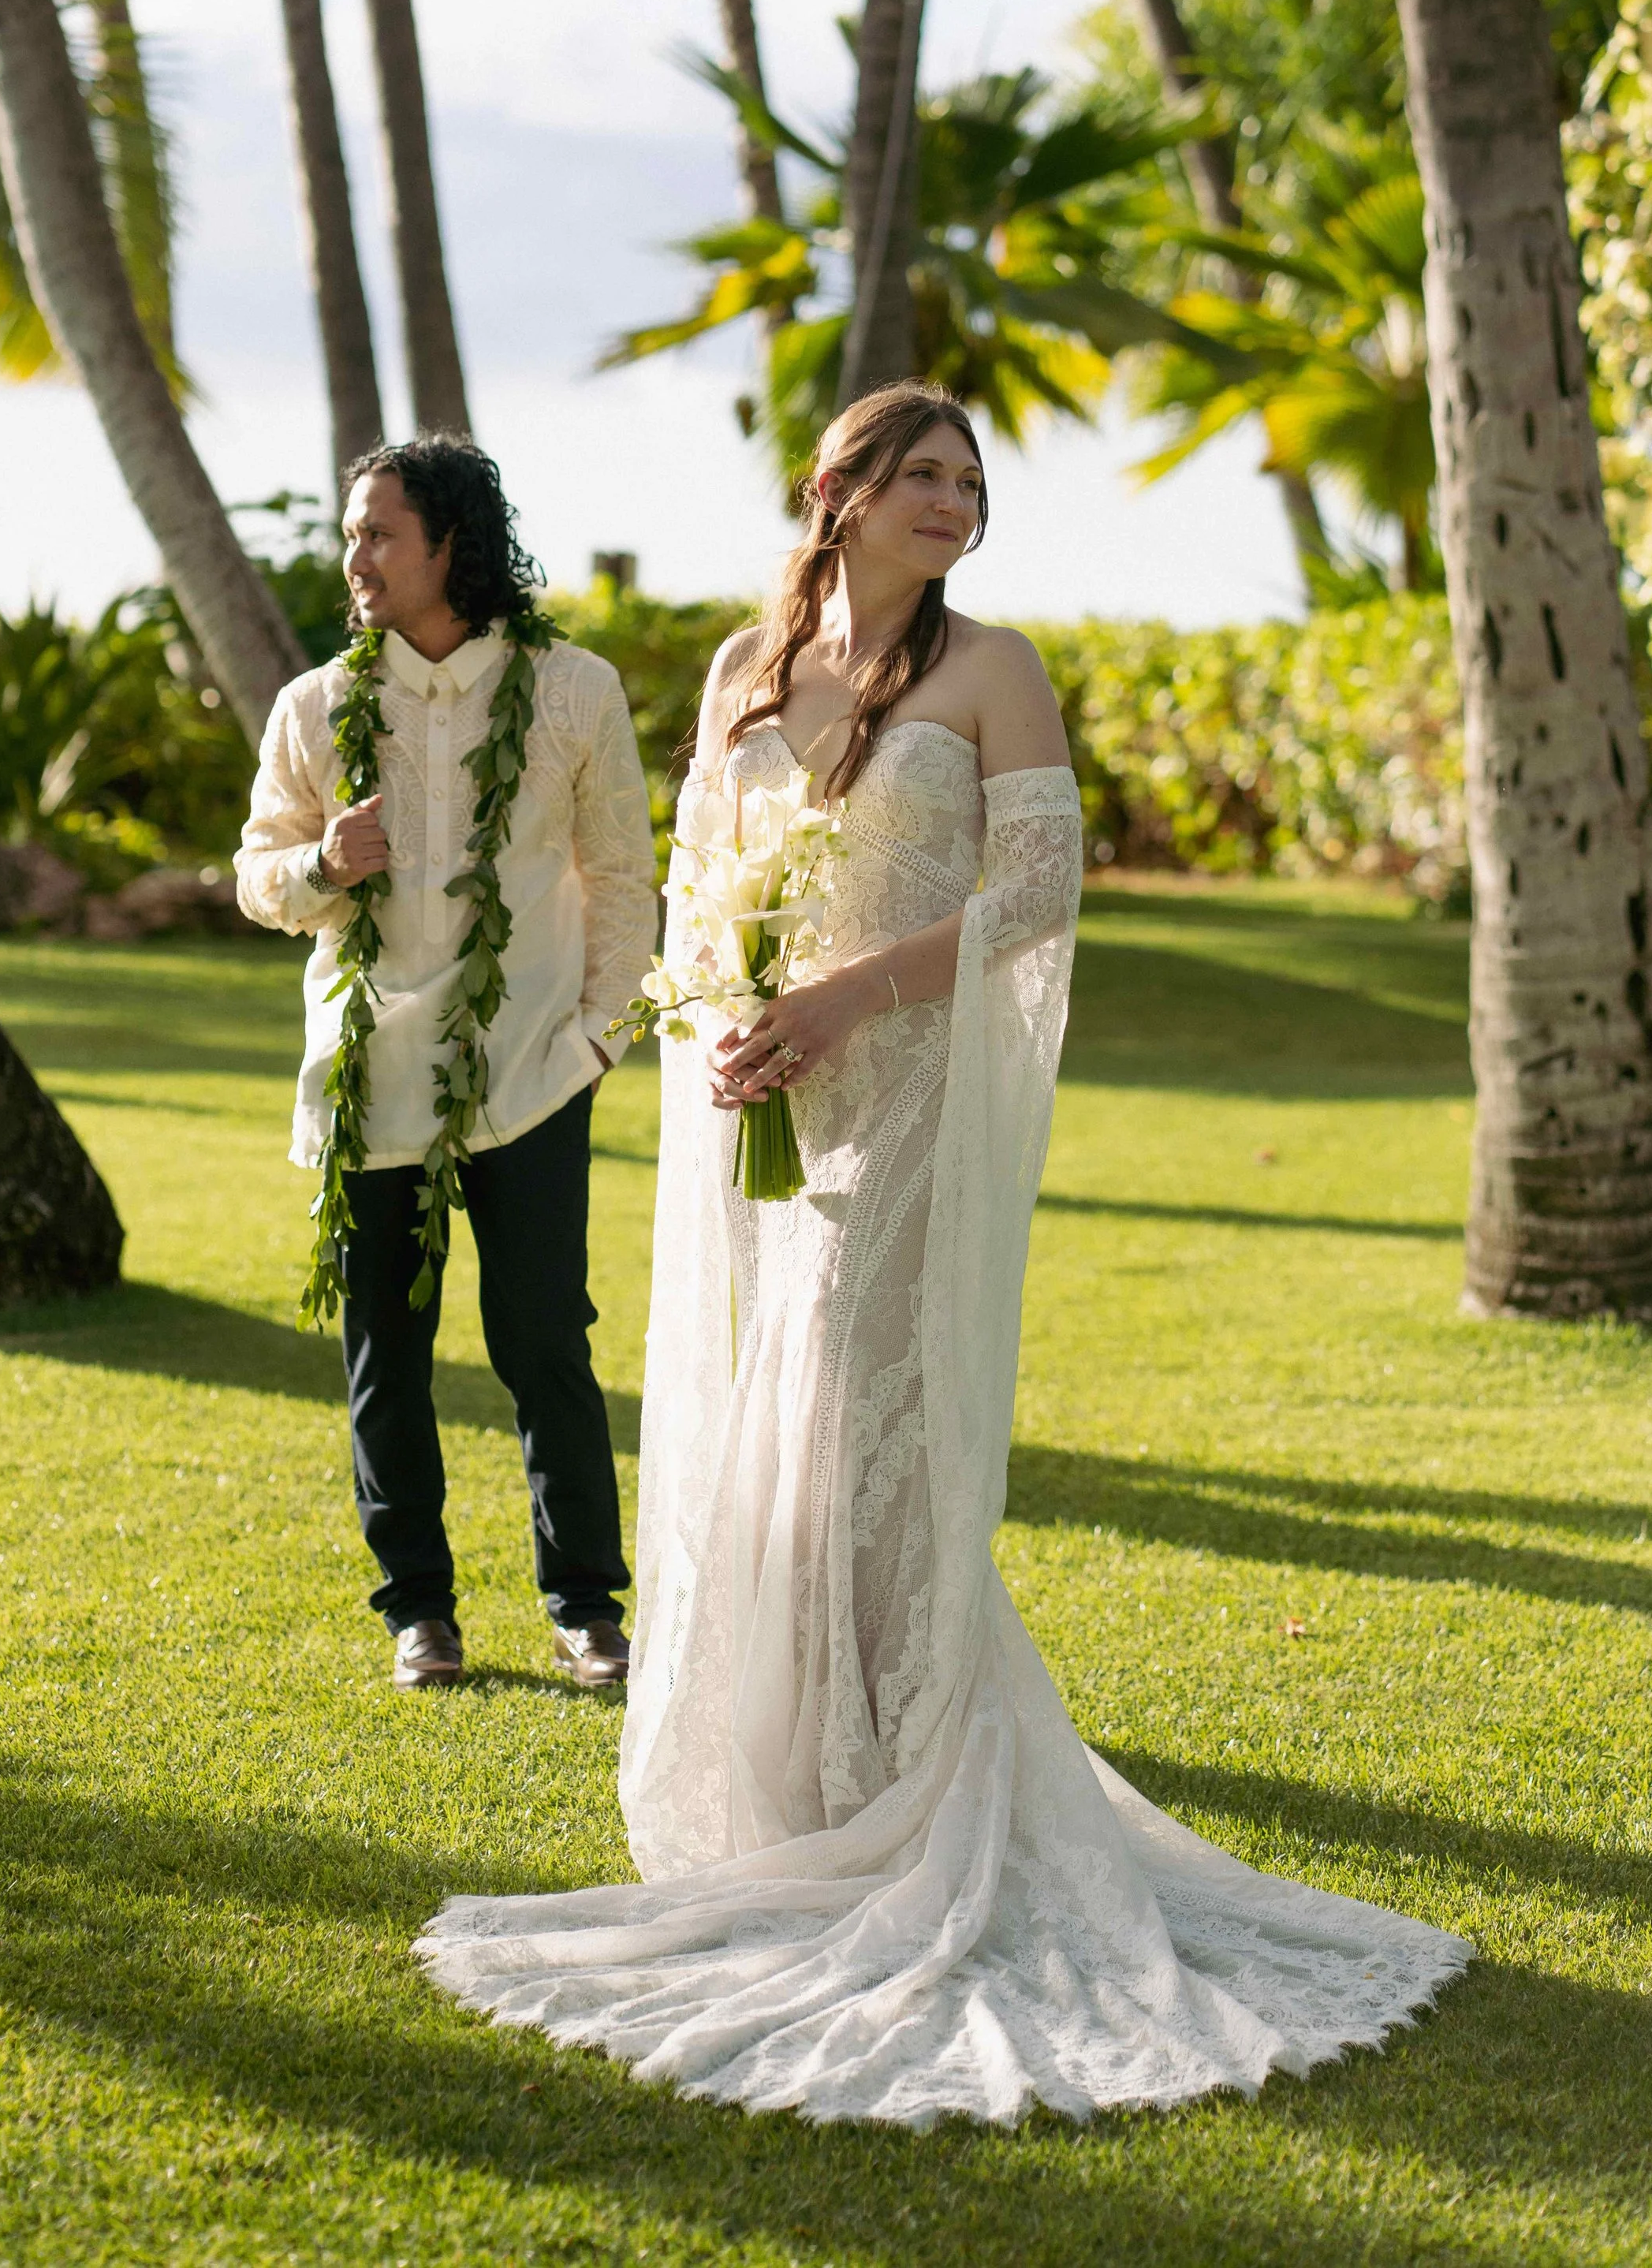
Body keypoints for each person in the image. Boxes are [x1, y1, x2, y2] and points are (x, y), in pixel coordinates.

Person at [416, 381, 1471, 2124]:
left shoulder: (995, 672)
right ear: (834, 492)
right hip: (769, 1098)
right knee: (779, 1430)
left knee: (854, 1417)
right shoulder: (745, 673)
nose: (952, 504)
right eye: (918, 475)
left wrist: (839, 996)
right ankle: (792, 1798)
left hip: (904, 1098)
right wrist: (730, 1012)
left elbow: (1037, 898)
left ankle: (899, 1786)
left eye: (969, 483)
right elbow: (695, 883)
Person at [235, 436, 656, 1694]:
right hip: (373, 1078)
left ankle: (586, 1607)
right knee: (388, 1352)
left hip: (531, 1068)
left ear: (451, 546)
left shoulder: (575, 689)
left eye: (378, 534)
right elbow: (258, 876)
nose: (353, 558)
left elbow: (624, 875)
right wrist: (325, 867)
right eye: (351, 533)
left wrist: (597, 1034)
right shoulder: (314, 704)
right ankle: (418, 1610)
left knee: (545, 1343)